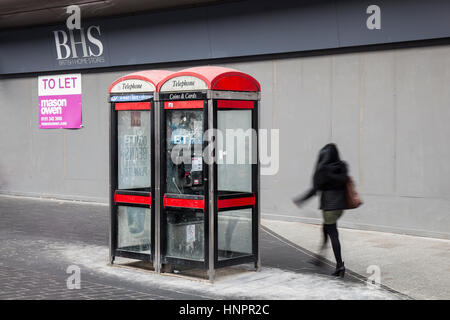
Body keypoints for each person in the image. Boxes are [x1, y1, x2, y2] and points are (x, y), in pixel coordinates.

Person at [294, 143, 349, 278]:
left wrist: (301, 199)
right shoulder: (342, 166)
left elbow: (315, 189)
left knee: (333, 234)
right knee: (325, 229)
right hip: (340, 207)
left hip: (329, 208)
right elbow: (345, 181)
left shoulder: (323, 170)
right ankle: (320, 256)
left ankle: (340, 265)